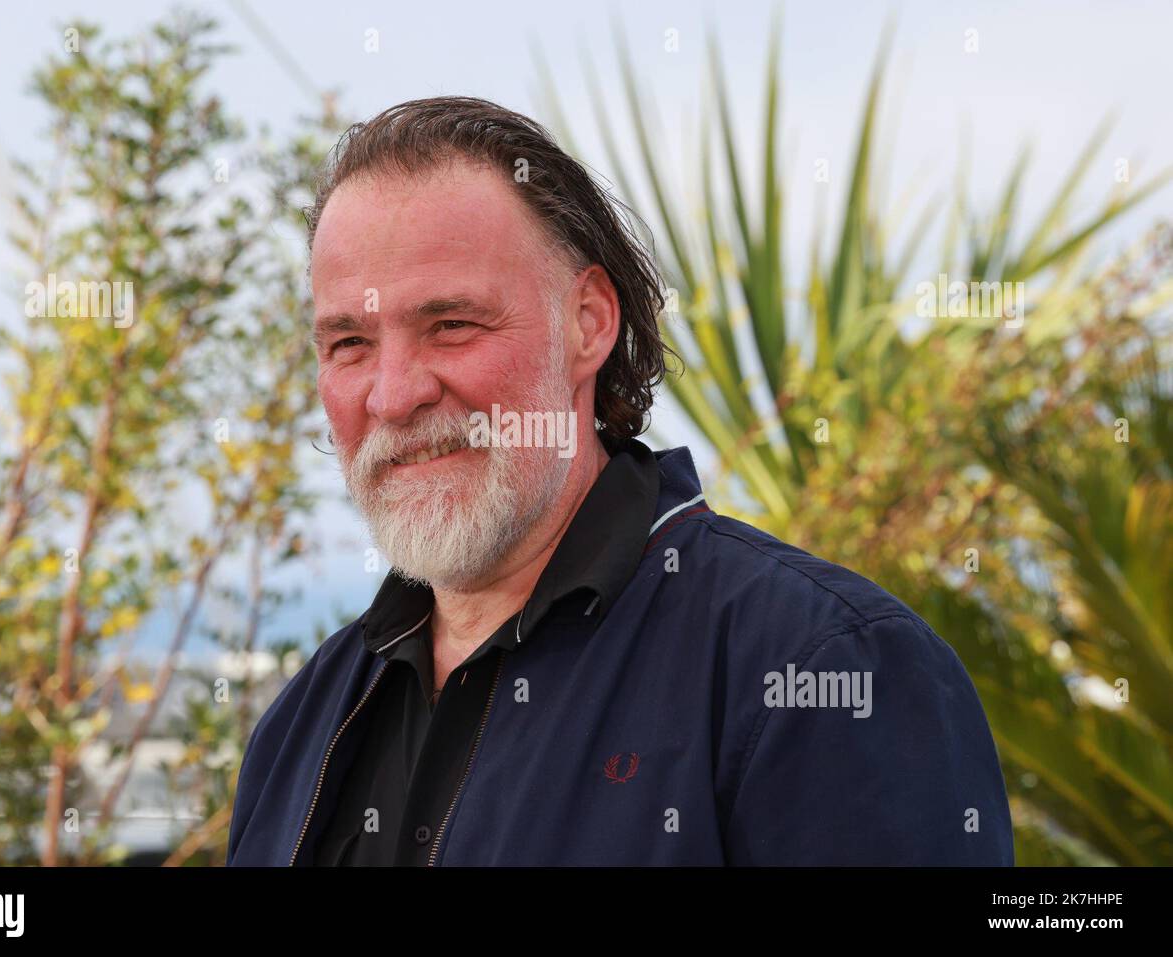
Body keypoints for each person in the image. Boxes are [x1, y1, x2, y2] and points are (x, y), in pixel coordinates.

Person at [227, 96, 1014, 866]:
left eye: (452, 324)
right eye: (350, 343)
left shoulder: (820, 669)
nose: (394, 395)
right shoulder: (304, 724)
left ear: (590, 322)